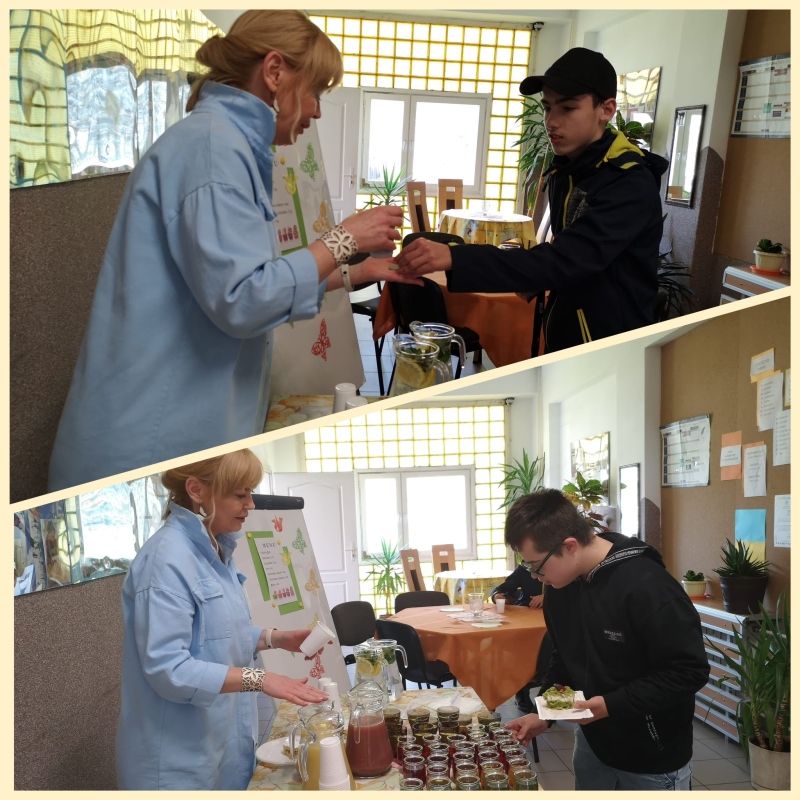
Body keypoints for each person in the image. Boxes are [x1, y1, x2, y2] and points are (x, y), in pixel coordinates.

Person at [48, 10, 420, 492]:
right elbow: (244, 299)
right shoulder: (213, 150)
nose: (316, 111)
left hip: (170, 428)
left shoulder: (225, 144)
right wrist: (343, 240)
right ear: (274, 72)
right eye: (315, 91)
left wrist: (359, 272)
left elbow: (251, 280)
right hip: (146, 443)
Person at [395, 47, 668, 356]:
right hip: (568, 331)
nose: (551, 121)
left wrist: (455, 256)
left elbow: (566, 259)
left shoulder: (628, 181)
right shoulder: (570, 169)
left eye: (567, 108)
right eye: (548, 108)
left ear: (606, 110)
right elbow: (569, 253)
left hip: (610, 347)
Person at [115, 449, 330, 790]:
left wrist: (275, 638)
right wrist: (260, 679)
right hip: (176, 759)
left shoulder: (217, 551)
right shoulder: (165, 560)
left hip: (222, 743)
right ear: (196, 490)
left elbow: (217, 635)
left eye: (251, 493)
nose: (251, 505)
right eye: (240, 495)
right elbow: (169, 668)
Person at [503, 489, 709, 791]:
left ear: (569, 546)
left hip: (651, 754)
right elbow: (565, 659)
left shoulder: (648, 586)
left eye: (536, 565)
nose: (534, 576)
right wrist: (545, 713)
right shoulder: (561, 587)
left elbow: (688, 671)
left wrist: (609, 705)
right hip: (593, 744)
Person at [491, 563, 544, 713]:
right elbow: (501, 588)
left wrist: (549, 596)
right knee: (521, 648)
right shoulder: (525, 568)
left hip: (552, 617)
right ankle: (521, 690)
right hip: (525, 617)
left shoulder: (561, 566)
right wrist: (496, 595)